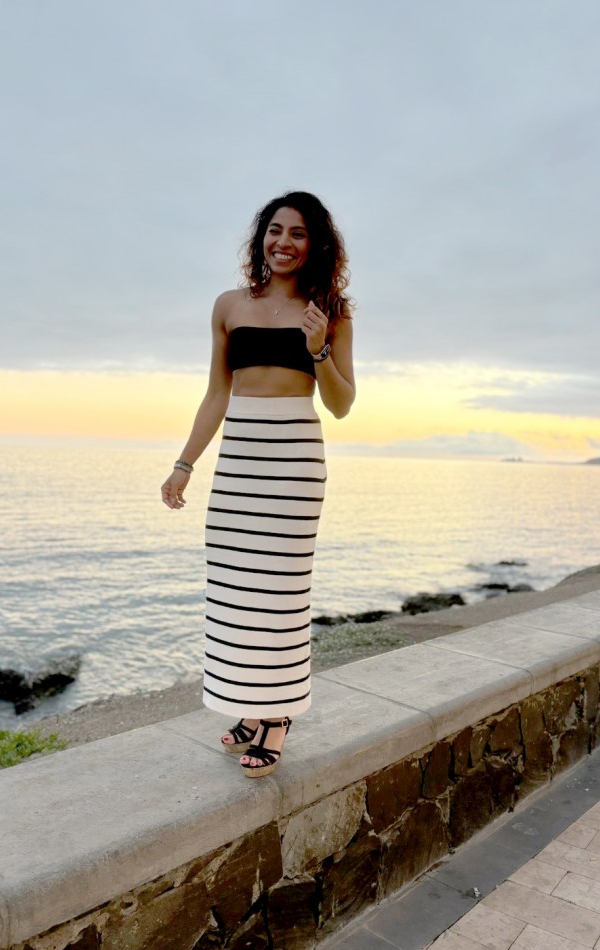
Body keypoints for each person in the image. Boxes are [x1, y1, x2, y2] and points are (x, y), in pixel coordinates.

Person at [161, 191, 355, 777]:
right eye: (275, 230)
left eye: (298, 234)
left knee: (282, 593)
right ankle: (249, 705)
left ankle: (277, 716)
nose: (284, 243)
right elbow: (217, 393)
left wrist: (319, 347)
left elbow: (342, 404)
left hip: (294, 460)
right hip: (240, 460)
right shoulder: (228, 305)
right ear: (260, 237)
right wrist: (185, 463)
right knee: (235, 591)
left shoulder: (332, 310)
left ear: (315, 245)